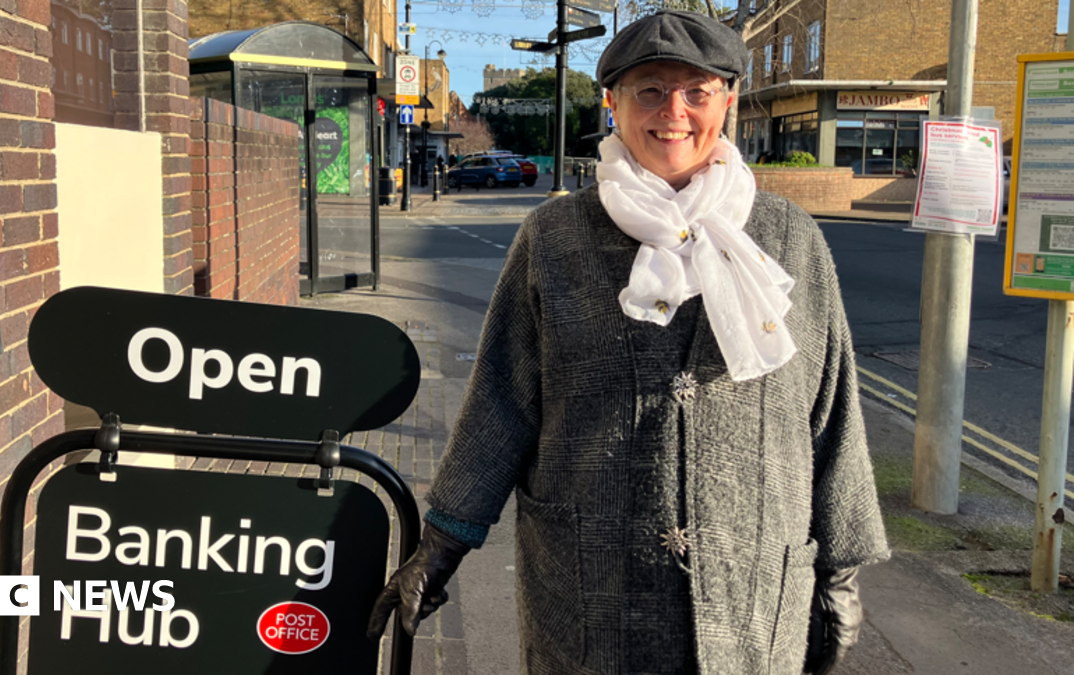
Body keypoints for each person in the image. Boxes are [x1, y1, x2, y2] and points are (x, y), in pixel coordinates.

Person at [368, 11, 888, 675]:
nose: (674, 111)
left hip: (753, 590)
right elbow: (502, 399)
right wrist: (439, 546)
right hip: (590, 594)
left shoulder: (788, 237)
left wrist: (842, 571)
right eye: (650, 90)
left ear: (727, 100)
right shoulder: (554, 239)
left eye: (697, 92)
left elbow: (829, 409)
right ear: (612, 104)